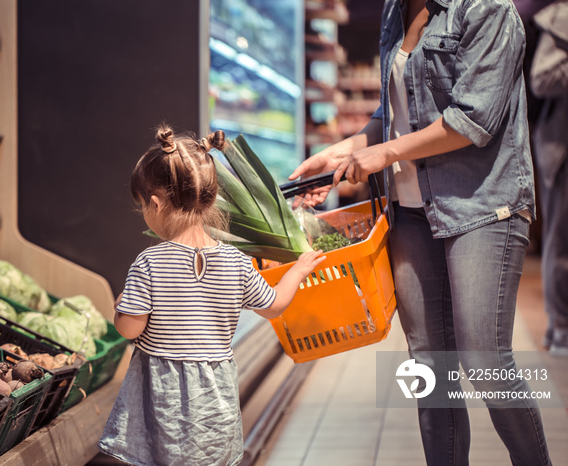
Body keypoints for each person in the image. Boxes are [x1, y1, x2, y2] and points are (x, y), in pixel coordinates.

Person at [289, 0, 553, 464]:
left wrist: (386, 154)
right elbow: (392, 114)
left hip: (483, 206)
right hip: (410, 212)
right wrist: (339, 153)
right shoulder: (396, 10)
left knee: (483, 361)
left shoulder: (486, 9)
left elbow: (475, 120)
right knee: (428, 366)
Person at [97, 125, 325, 465]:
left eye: (143, 204)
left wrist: (121, 308)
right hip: (215, 399)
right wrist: (298, 270)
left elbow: (130, 328)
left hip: (164, 399)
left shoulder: (149, 262)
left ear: (156, 204)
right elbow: (274, 306)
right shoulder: (236, 260)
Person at [529, 0, 568, 357]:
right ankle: (561, 327)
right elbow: (542, 79)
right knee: (561, 241)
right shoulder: (561, 19)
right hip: (562, 148)